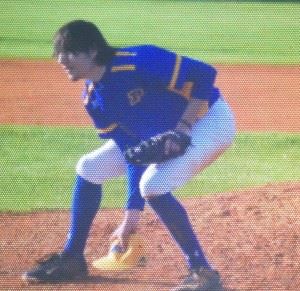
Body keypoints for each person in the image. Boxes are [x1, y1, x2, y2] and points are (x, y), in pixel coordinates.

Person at [22, 20, 235, 291]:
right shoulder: (93, 99)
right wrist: (131, 215)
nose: (62, 59)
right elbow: (133, 151)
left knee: (153, 185)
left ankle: (202, 273)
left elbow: (206, 74)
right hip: (164, 133)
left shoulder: (138, 60)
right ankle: (73, 257)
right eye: (59, 53)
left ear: (93, 51)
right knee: (89, 167)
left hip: (209, 120)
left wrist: (183, 128)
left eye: (70, 51)